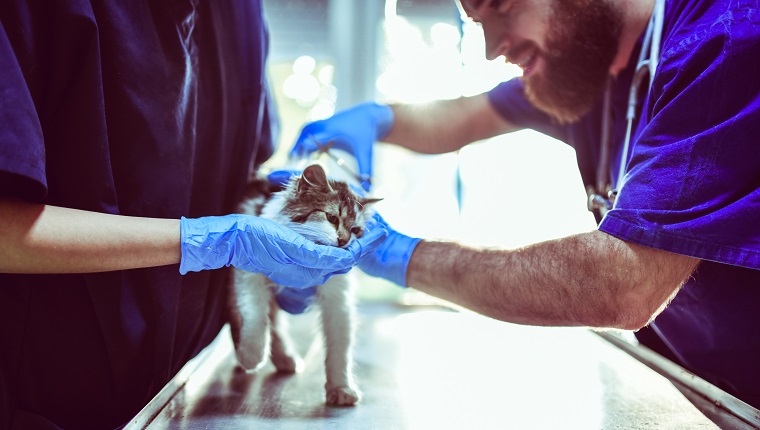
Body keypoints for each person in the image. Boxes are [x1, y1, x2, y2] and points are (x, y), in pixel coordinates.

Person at [290, 0, 760, 410]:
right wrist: (378, 120)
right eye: (475, 22)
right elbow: (461, 117)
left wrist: (394, 252)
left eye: (502, 3)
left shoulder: (724, 41)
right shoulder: (586, 64)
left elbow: (624, 284)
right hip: (693, 383)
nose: (492, 48)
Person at [0, 2, 385, 429]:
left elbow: (244, 166)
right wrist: (208, 239)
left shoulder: (242, 14)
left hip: (188, 385)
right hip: (54, 392)